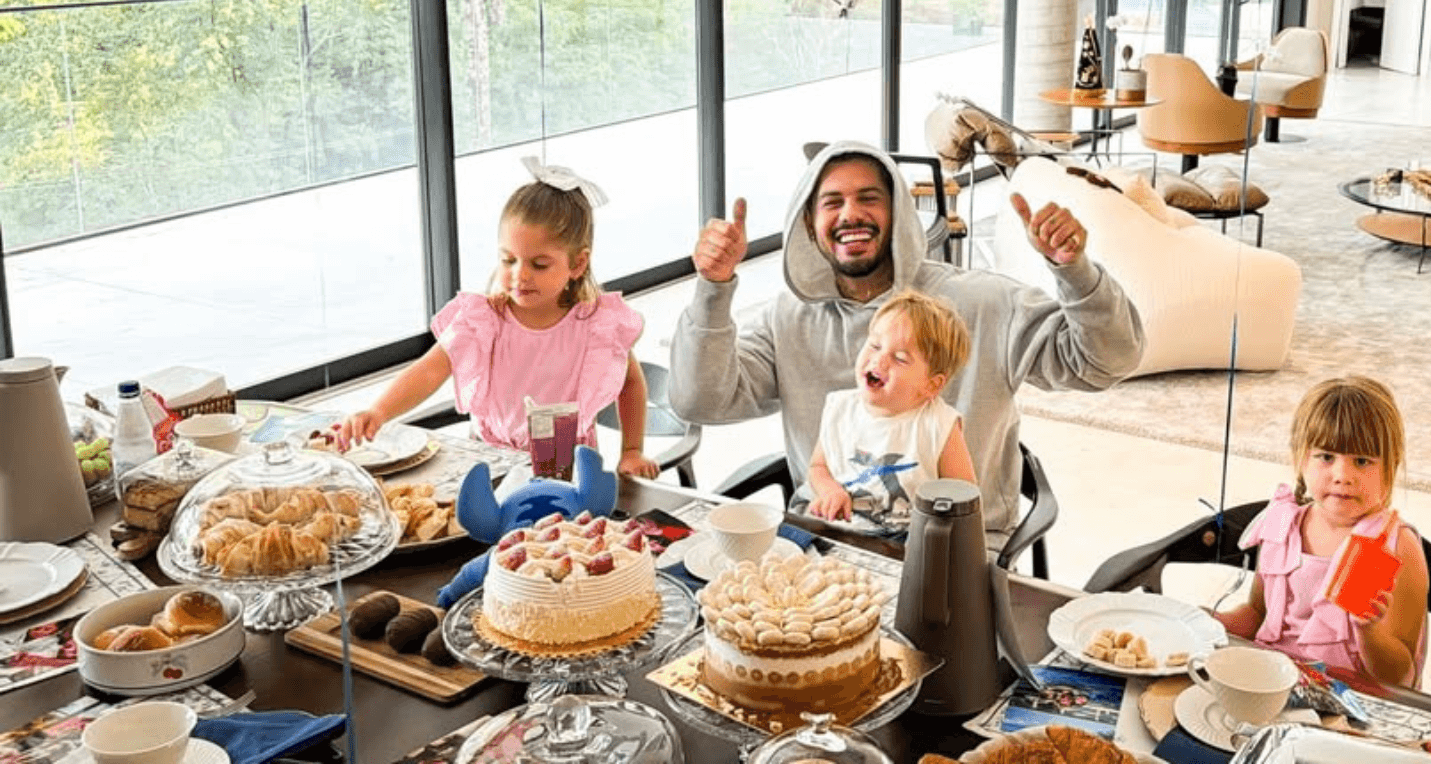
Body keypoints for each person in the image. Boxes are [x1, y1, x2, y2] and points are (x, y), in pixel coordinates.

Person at [671, 141, 1145, 547]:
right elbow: (699, 400)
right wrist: (713, 288)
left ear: (899, 213)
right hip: (826, 537)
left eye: (868, 198)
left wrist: (1075, 272)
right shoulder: (788, 317)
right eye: (831, 202)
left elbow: (1105, 363)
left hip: (953, 549)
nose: (850, 213)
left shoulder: (983, 303)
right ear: (809, 226)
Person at [341, 158, 660, 480]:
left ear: (577, 264)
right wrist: (379, 411)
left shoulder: (596, 325)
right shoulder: (484, 320)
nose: (520, 275)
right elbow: (429, 370)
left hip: (567, 467)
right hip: (489, 461)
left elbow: (630, 383)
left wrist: (631, 451)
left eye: (539, 264)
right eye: (508, 260)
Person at [1212, 376, 1429, 688]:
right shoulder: (1284, 525)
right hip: (1269, 685)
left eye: (1362, 460)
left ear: (1390, 468)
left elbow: (1401, 677)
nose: (1342, 475)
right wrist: (1213, 621)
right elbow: (1257, 613)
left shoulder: (1394, 546)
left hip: (1353, 705)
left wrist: (1369, 632)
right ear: (1301, 460)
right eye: (1326, 457)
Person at [806, 289, 976, 532]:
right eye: (875, 345)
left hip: (912, 542)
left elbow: (965, 497)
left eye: (900, 358)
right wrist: (830, 491)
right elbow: (817, 467)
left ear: (931, 384)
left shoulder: (938, 425)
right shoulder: (840, 409)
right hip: (842, 531)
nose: (880, 360)